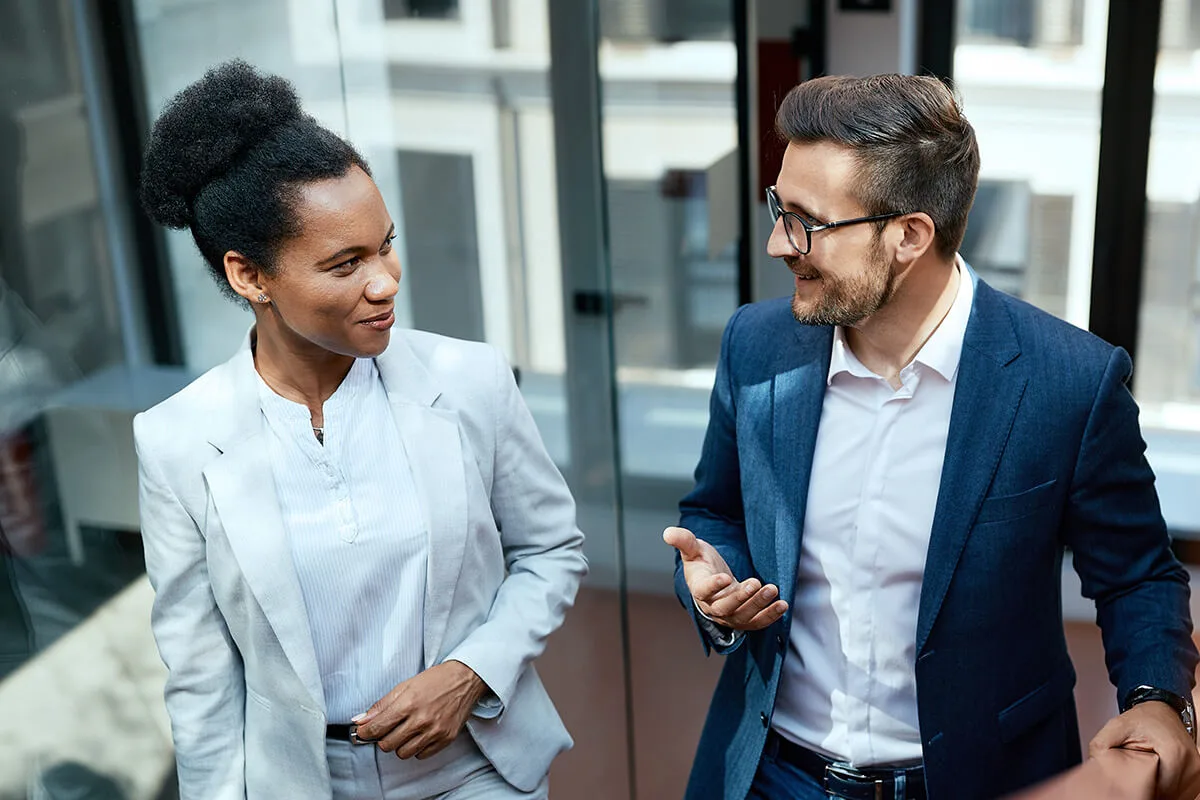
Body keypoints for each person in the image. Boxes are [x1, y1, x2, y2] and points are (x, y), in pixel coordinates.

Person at [664, 74, 1200, 800]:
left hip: (975, 778)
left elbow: (1137, 574)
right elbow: (715, 511)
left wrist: (1156, 701)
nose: (776, 243)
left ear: (910, 235)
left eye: (805, 222)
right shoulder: (756, 346)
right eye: (777, 210)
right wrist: (711, 583)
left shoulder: (1067, 382)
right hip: (772, 773)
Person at [135, 60, 586, 800]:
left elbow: (551, 551)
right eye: (345, 264)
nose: (385, 280)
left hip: (477, 768)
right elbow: (201, 678)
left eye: (384, 244)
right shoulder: (177, 441)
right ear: (251, 277)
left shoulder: (468, 381)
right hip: (306, 783)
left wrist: (469, 673)